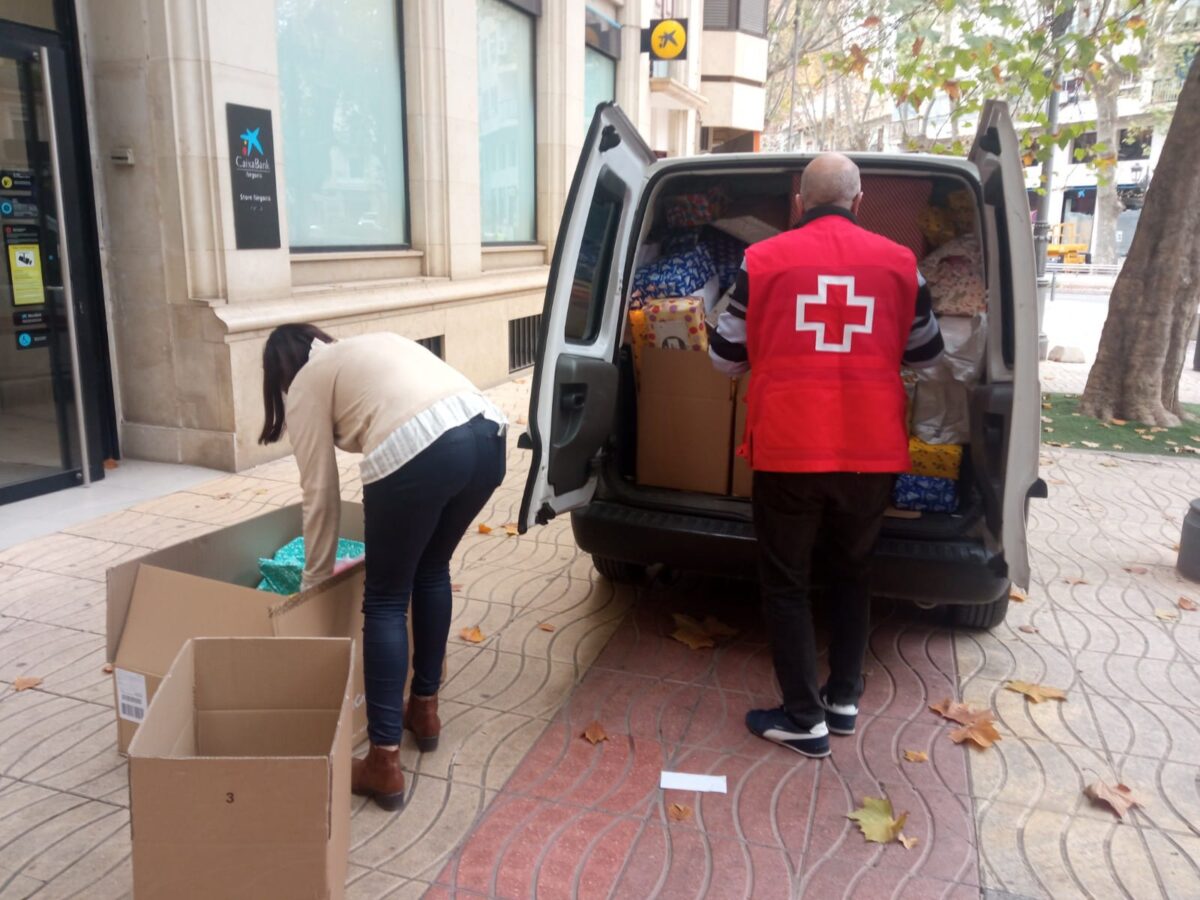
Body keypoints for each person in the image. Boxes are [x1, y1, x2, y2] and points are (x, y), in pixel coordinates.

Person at [708, 153, 944, 758]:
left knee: (786, 582)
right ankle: (842, 699)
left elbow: (723, 355)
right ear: (859, 201)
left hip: (788, 448)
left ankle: (801, 717)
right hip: (871, 449)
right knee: (853, 572)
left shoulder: (760, 262)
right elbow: (927, 356)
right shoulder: (901, 265)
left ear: (798, 204)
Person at [259, 324, 506, 808]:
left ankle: (384, 762)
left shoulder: (308, 381)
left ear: (281, 374)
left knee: (386, 598)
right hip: (487, 434)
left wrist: (313, 587)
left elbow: (320, 495)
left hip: (423, 447)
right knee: (432, 567)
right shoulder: (365, 348)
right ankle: (425, 711)